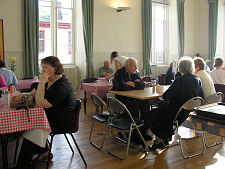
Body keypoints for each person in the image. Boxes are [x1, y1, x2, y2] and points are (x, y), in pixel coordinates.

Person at [13, 56, 78, 169]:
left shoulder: (61, 86)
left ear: (56, 68)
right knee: (27, 124)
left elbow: (40, 104)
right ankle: (44, 151)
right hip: (49, 117)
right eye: (42, 67)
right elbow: (34, 93)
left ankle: (23, 164)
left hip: (62, 121)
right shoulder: (49, 81)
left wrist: (42, 83)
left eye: (46, 68)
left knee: (32, 129)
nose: (43, 71)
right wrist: (26, 95)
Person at [146, 56, 204, 150]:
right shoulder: (197, 80)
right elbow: (202, 97)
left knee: (153, 113)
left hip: (178, 113)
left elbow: (166, 96)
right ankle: (164, 138)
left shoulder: (180, 80)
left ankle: (159, 140)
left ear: (180, 68)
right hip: (190, 113)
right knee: (161, 112)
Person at [112, 57, 151, 140]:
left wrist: (130, 84)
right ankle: (134, 132)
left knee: (146, 103)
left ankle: (143, 130)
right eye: (134, 66)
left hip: (134, 98)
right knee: (134, 105)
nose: (136, 68)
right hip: (122, 100)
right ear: (127, 66)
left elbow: (142, 85)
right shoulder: (119, 73)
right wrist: (134, 85)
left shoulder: (134, 73)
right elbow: (121, 87)